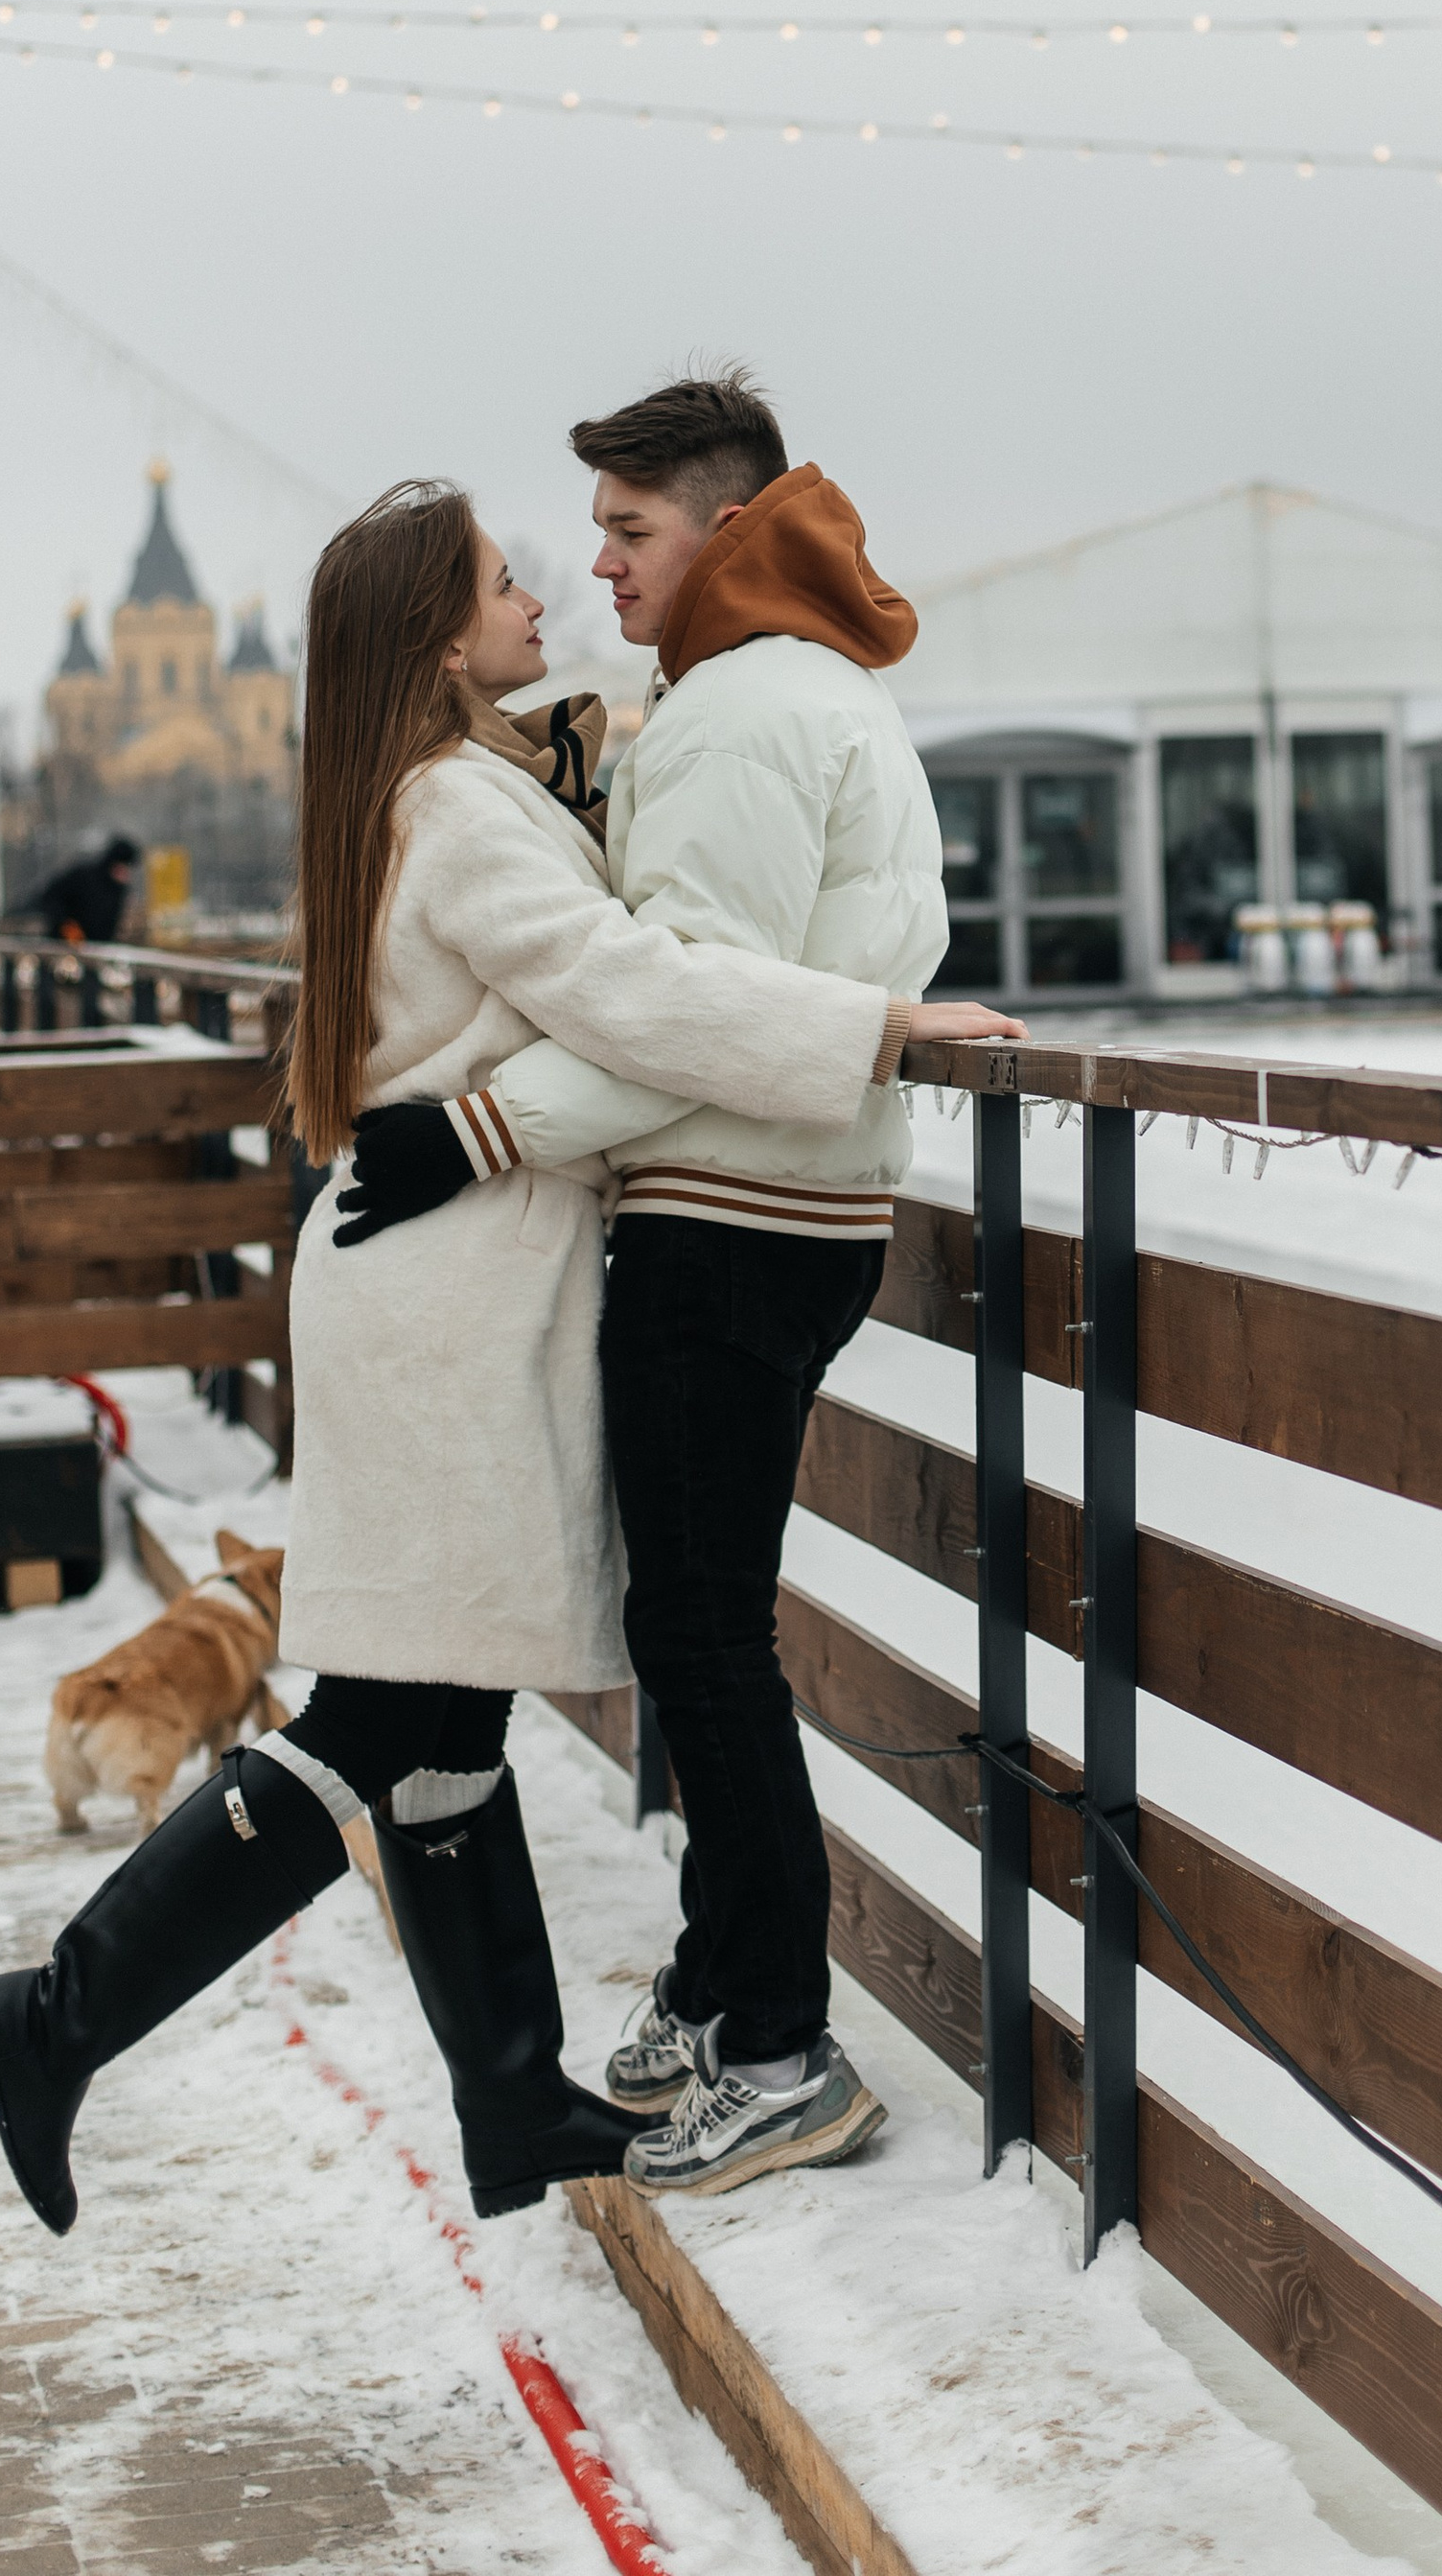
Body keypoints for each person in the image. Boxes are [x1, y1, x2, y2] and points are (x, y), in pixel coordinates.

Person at [0, 479, 1017, 2240]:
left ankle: (513, 2102)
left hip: (429, 1284)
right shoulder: (453, 807)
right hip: (449, 1302)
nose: (542, 601)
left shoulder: (424, 788)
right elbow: (632, 986)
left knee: (445, 1724)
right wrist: (878, 1027)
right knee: (383, 1718)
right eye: (508, 585)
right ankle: (54, 2017)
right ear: (441, 639)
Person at [338, 372, 1014, 2200]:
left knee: (704, 1640)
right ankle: (724, 1991)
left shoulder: (736, 717)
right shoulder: (788, 690)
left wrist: (479, 1128)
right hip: (788, 1207)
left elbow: (680, 1012)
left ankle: (782, 2047)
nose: (600, 567)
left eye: (629, 531)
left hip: (731, 1216)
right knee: (698, 1629)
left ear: (725, 526)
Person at [35, 833, 140, 946]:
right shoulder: (82, 876)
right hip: (64, 944)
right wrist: (65, 925)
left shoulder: (118, 889)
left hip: (96, 948)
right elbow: (51, 897)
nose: (125, 874)